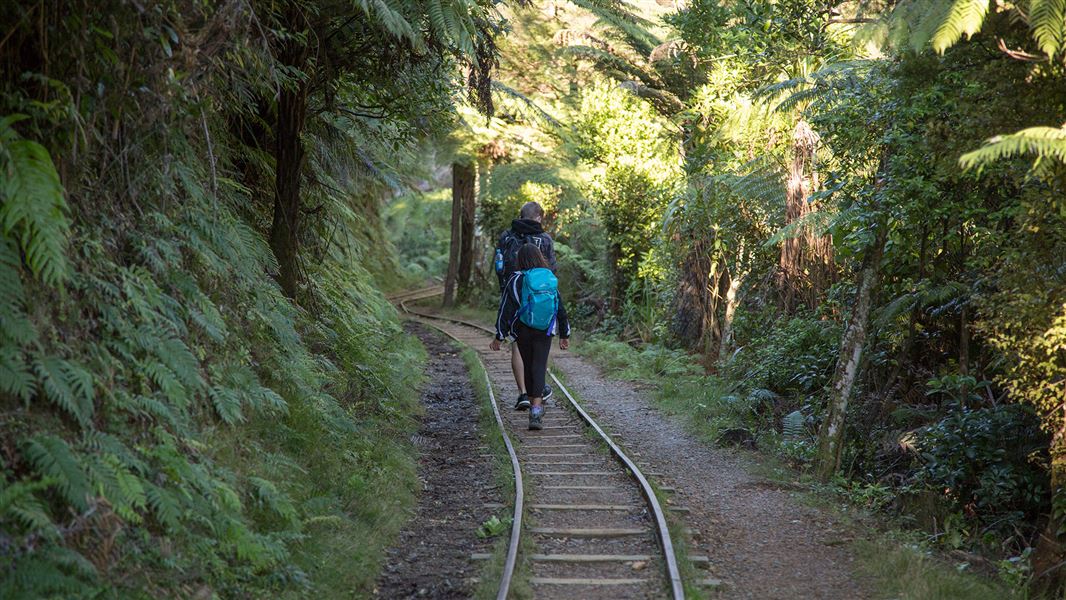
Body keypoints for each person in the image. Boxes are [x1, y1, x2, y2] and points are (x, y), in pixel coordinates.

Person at [491, 245, 571, 430]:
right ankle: (536, 410)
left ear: (521, 260)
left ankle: (533, 406)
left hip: (523, 329)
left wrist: (499, 335)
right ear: (539, 257)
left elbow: (506, 309)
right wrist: (564, 333)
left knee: (529, 367)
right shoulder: (549, 278)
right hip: (545, 329)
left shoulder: (515, 279)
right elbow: (560, 307)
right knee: (539, 366)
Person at [495, 201, 557, 411]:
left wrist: (506, 290)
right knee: (539, 350)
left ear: (521, 216)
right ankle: (536, 394)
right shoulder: (545, 239)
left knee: (517, 345)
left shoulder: (506, 237)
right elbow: (552, 272)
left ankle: (523, 392)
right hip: (540, 302)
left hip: (513, 295)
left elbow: (499, 265)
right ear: (538, 217)